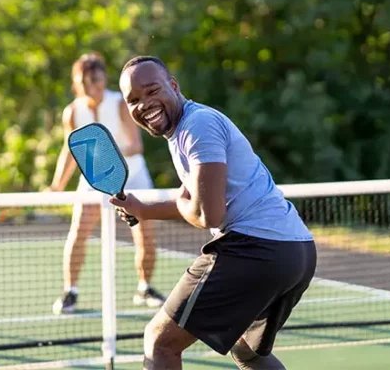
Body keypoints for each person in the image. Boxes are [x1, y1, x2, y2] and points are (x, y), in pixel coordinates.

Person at [108, 56, 317, 370]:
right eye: (133, 100)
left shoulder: (198, 126)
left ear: (174, 86)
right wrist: (144, 210)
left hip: (256, 248)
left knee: (160, 341)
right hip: (295, 251)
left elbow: (209, 214)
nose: (144, 104)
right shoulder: (182, 130)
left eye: (152, 91)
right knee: (246, 351)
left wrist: (181, 203)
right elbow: (196, 200)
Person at [50, 53, 166, 315]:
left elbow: (136, 146)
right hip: (92, 182)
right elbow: (69, 150)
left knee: (145, 235)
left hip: (133, 177)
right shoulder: (72, 112)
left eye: (99, 78)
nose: (95, 84)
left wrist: (106, 153)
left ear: (104, 78)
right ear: (79, 82)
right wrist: (57, 184)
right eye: (88, 80)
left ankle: (145, 287)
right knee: (79, 231)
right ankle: (71, 292)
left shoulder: (120, 104)